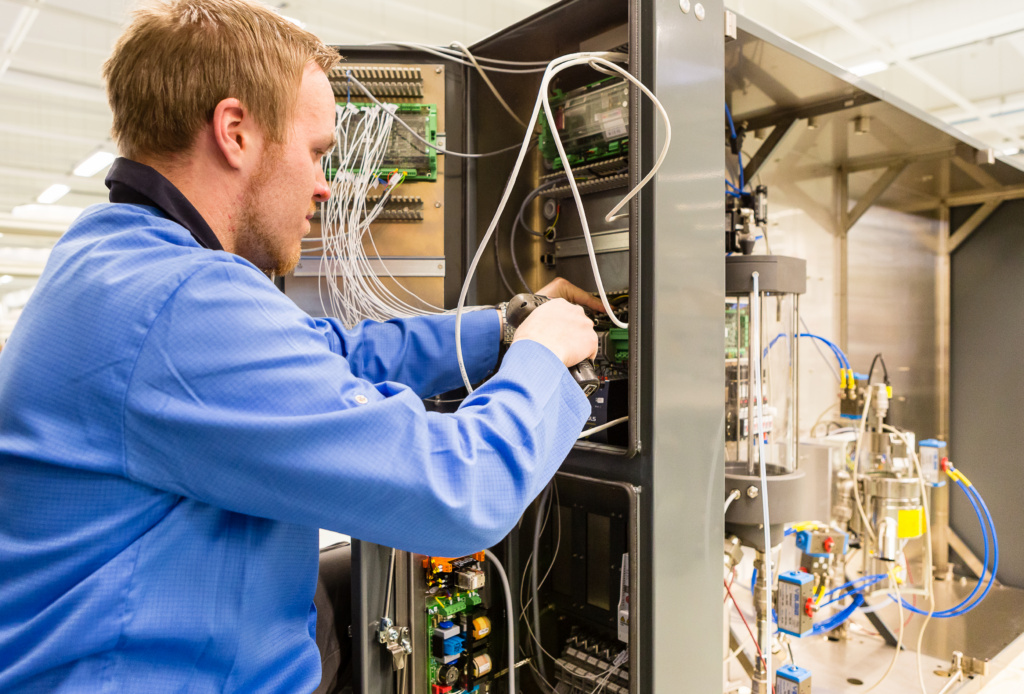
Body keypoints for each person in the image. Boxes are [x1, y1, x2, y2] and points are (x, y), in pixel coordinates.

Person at [0, 1, 602, 692]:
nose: (325, 183)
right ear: (234, 132)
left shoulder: (113, 257)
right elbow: (457, 490)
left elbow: (328, 353)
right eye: (316, 152)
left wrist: (501, 326)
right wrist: (542, 357)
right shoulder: (179, 302)